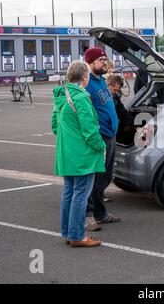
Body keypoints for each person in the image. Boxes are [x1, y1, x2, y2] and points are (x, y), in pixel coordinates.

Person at [52, 61, 106, 248]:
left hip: (66, 154)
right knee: (81, 194)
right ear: (84, 77)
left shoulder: (61, 95)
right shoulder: (81, 97)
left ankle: (68, 232)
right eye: (88, 75)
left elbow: (54, 126)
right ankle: (77, 235)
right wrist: (101, 146)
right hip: (82, 155)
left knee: (69, 192)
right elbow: (90, 131)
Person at [83, 47, 122, 232]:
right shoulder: (87, 82)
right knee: (94, 177)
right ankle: (88, 215)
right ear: (91, 62)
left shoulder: (101, 81)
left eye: (105, 60)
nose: (105, 63)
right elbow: (87, 113)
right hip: (100, 136)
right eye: (101, 60)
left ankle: (100, 213)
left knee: (104, 177)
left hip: (110, 134)